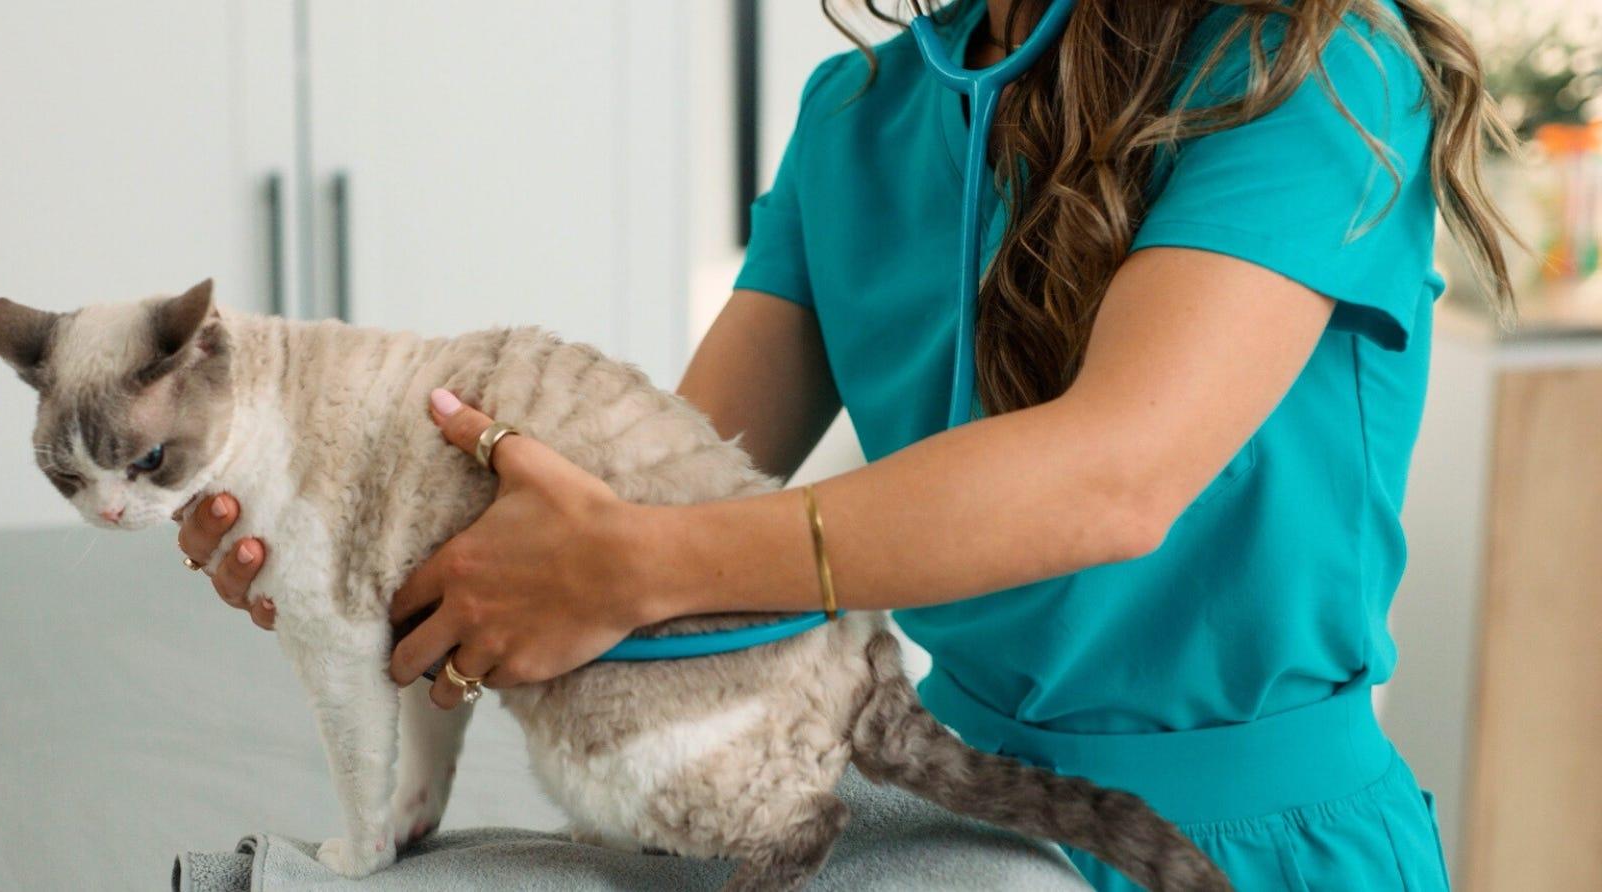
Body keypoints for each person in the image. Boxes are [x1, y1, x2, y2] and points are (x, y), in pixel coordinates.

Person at [179, 0, 1513, 887]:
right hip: (956, 833)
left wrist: (632, 568)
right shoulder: (858, 113)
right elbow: (643, 499)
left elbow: (1113, 478)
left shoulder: (1311, 71)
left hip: (1260, 847)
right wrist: (356, 546)